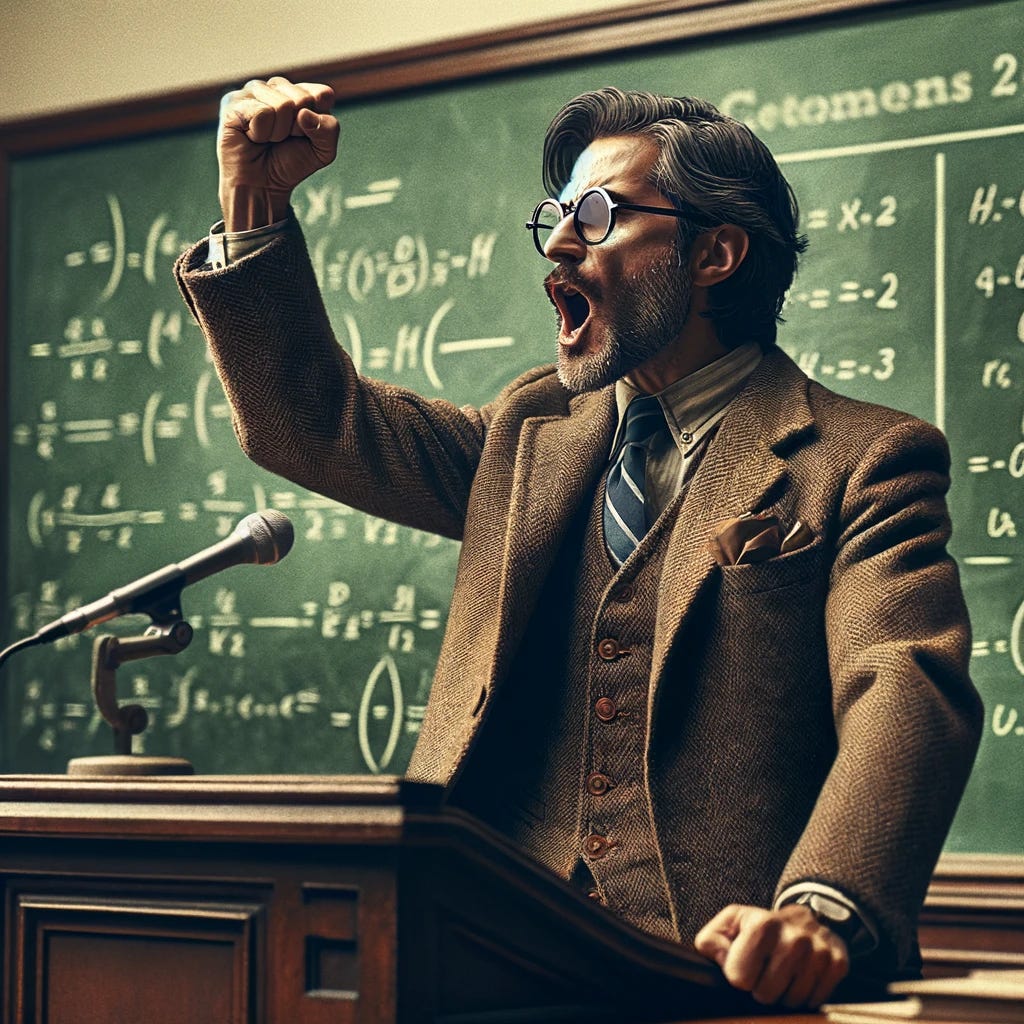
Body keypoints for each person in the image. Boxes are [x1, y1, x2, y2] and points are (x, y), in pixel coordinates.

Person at [174, 77, 983, 1009]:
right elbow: (308, 422)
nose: (558, 240)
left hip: (719, 977)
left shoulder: (865, 459)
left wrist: (821, 911)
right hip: (470, 957)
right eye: (555, 215)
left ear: (714, 253)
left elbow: (903, 683)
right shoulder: (527, 434)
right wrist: (253, 203)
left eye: (596, 214)